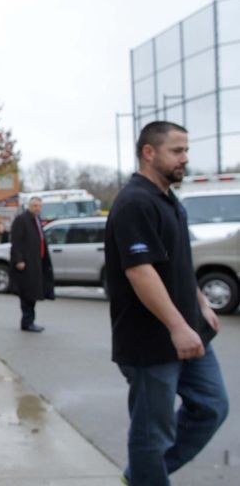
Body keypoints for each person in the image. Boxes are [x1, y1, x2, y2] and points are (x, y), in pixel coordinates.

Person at [105, 121, 228, 486]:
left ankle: (144, 474)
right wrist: (177, 327)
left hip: (190, 332)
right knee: (151, 434)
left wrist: (201, 304)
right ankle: (148, 474)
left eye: (186, 151)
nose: (185, 159)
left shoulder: (168, 200)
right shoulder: (134, 202)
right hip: (150, 343)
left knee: (211, 406)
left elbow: (177, 263)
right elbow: (141, 271)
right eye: (177, 151)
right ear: (149, 152)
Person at [9, 197, 54, 333]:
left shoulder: (37, 220)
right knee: (27, 293)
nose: (37, 208)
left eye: (39, 206)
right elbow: (16, 242)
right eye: (34, 205)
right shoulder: (22, 220)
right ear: (29, 206)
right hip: (26, 264)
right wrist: (19, 260)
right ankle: (27, 322)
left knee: (34, 292)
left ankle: (30, 321)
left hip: (36, 262)